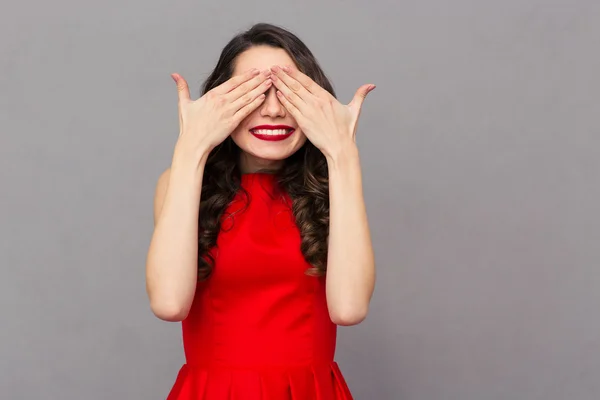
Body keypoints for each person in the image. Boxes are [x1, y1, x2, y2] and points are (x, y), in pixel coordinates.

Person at [145, 22, 376, 399]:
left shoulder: (334, 186)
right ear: (221, 101)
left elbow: (348, 309)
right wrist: (191, 148)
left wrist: (342, 154)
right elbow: (169, 303)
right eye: (254, 93)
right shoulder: (179, 182)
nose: (272, 111)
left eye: (287, 93)